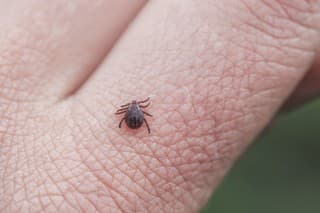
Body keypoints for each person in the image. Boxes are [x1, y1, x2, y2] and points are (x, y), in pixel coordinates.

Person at [0, 0, 319, 212]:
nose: (134, 112)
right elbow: (137, 114)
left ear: (131, 111)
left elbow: (126, 117)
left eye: (134, 110)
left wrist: (124, 121)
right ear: (134, 111)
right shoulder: (137, 112)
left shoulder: (129, 113)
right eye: (134, 111)